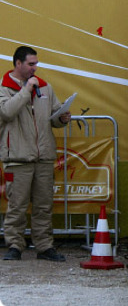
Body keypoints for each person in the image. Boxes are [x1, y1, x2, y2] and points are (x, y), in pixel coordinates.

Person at [1, 46, 71, 261]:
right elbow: (6, 112)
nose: (35, 68)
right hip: (18, 157)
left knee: (43, 204)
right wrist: (26, 90)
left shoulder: (45, 88)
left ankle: (44, 246)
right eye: (31, 64)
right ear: (18, 63)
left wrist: (62, 118)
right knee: (17, 205)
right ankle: (14, 245)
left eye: (36, 64)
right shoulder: (4, 88)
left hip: (43, 157)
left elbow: (54, 114)